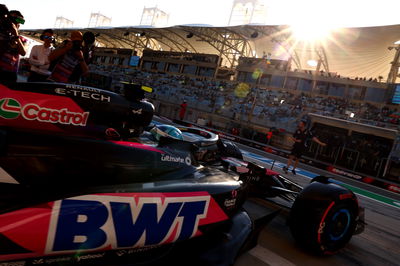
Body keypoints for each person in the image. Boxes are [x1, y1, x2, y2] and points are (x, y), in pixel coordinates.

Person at [0, 7, 26, 82]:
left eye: (17, 21)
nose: (14, 23)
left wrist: (16, 35)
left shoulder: (21, 39)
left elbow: (23, 52)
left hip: (10, 73)